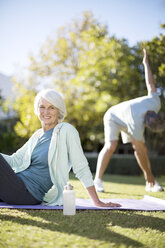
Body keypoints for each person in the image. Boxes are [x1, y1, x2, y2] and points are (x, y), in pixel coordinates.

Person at [0, 89, 120, 207]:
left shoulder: (66, 131)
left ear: (59, 111)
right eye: (42, 107)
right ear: (37, 110)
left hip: (26, 192)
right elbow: (14, 160)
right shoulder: (37, 135)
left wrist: (97, 201)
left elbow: (81, 167)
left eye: (52, 107)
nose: (46, 112)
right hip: (12, 184)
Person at [94, 49, 164, 193]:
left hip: (126, 117)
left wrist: (146, 63)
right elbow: (138, 151)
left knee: (142, 147)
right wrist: (148, 173)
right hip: (113, 116)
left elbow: (150, 83)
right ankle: (97, 181)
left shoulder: (155, 102)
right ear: (146, 121)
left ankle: (150, 183)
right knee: (111, 145)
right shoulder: (136, 121)